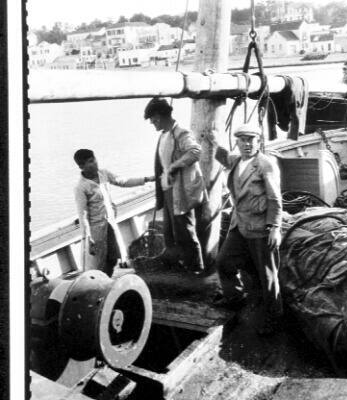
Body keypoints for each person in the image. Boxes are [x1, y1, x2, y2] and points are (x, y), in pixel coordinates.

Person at [208, 122, 283, 335]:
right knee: (223, 262)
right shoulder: (236, 161)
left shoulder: (265, 164)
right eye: (242, 140)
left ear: (258, 142)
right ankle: (235, 297)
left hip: (260, 228)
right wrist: (212, 141)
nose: (247, 144)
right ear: (237, 143)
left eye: (251, 140)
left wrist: (275, 227)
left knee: (267, 277)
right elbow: (223, 156)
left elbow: (275, 198)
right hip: (239, 225)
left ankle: (274, 319)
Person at [144, 98, 208, 273]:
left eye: (154, 120)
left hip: (180, 191)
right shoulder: (163, 135)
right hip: (167, 190)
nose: (153, 124)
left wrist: (174, 166)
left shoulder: (181, 133)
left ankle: (196, 267)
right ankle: (179, 263)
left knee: (185, 231)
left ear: (162, 116)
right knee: (169, 232)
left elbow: (195, 151)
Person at [74, 149, 154, 276]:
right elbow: (83, 215)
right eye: (90, 162)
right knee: (96, 265)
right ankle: (99, 286)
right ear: (81, 166)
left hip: (110, 224)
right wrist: (88, 237)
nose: (95, 163)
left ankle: (107, 280)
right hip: (95, 231)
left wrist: (147, 179)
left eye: (94, 159)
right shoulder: (81, 187)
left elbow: (122, 181)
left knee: (113, 258)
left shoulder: (103, 174)